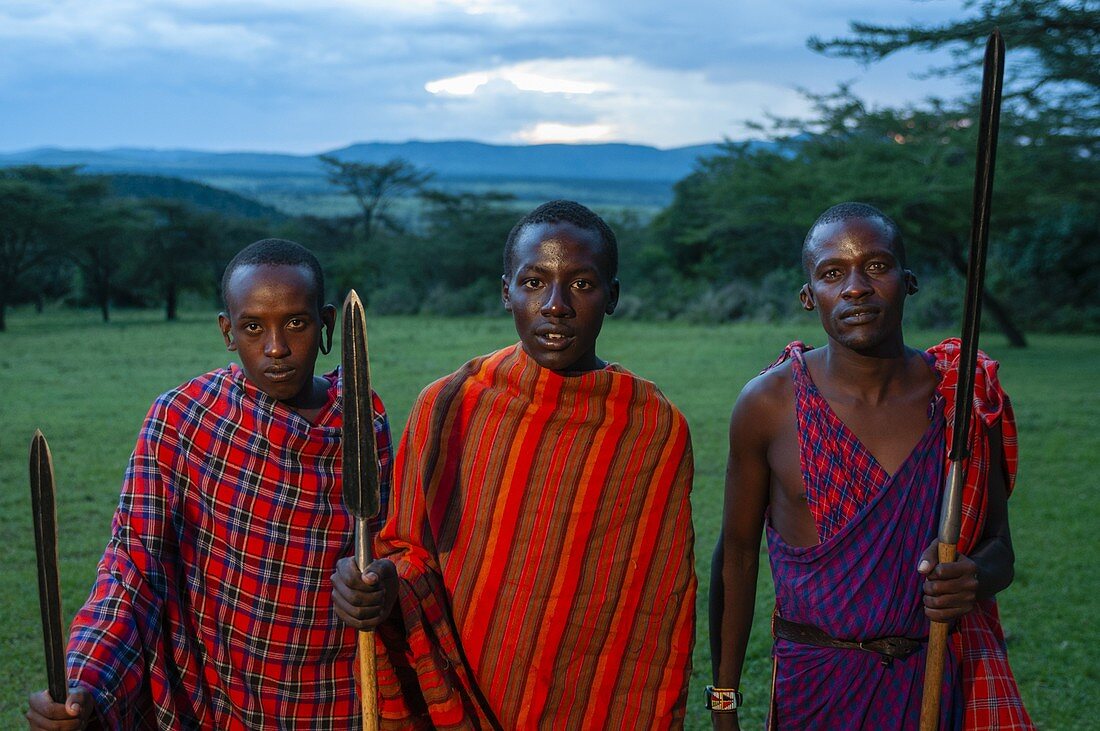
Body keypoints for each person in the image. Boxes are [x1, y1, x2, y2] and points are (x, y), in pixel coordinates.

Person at [332, 200, 697, 728]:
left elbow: (655, 609)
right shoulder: (449, 405)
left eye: (582, 284)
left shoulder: (652, 428)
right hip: (458, 684)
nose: (555, 305)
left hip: (585, 699)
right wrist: (379, 581)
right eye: (533, 282)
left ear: (612, 296)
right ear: (506, 292)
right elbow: (406, 550)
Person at [26, 239, 393, 730]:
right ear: (228, 331)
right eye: (253, 327)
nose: (276, 347)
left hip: (336, 692)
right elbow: (131, 564)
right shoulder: (184, 418)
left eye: (297, 324)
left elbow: (392, 547)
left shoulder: (362, 421)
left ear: (327, 325)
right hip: (212, 692)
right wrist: (84, 679)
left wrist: (382, 581)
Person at [708, 203, 1033, 730]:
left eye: (876, 267)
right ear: (809, 296)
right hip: (812, 686)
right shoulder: (768, 403)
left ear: (908, 282)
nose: (856, 287)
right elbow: (738, 556)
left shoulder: (958, 400)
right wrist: (723, 705)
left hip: (929, 680)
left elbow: (1001, 551)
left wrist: (972, 577)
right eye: (833, 273)